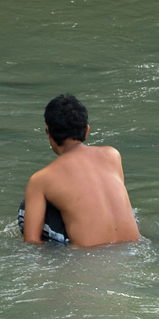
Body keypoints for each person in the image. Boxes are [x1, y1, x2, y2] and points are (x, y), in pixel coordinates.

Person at [19, 94, 139, 247]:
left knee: (26, 209)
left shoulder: (41, 179)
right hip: (132, 250)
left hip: (86, 261)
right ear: (87, 130)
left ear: (49, 132)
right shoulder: (112, 155)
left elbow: (32, 243)